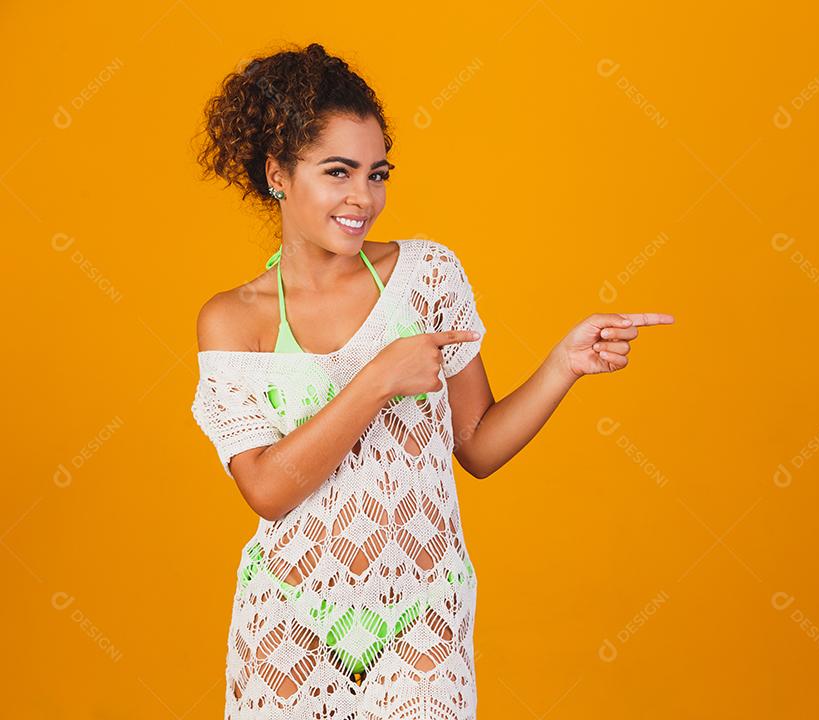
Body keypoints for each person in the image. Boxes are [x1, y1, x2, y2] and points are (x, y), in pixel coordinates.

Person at [189, 42, 674, 720]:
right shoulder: (232, 319)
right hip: (289, 627)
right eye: (338, 172)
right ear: (278, 173)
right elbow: (266, 490)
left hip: (419, 616)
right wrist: (378, 380)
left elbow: (475, 444)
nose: (364, 197)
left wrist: (563, 364)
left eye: (376, 173)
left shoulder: (428, 277)